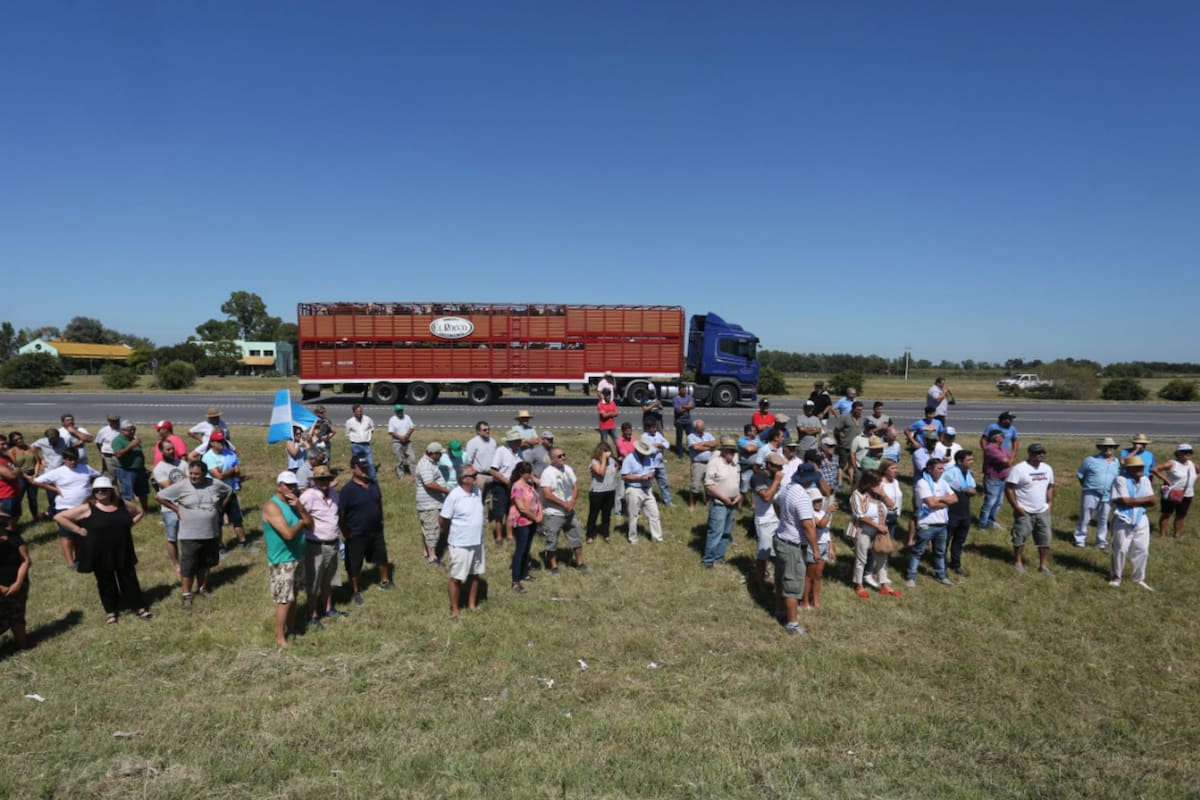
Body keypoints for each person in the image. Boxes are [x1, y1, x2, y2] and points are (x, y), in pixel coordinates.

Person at [55, 476, 153, 624]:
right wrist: (78, 529)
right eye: (97, 490)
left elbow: (140, 512)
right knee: (105, 582)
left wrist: (128, 525)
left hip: (122, 549)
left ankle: (138, 607)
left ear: (111, 491)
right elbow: (60, 517)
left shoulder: (121, 504)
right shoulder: (87, 508)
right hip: (100, 553)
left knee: (129, 579)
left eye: (104, 490)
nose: (101, 492)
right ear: (93, 492)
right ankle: (111, 611)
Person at [156, 460, 232, 608]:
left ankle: (202, 588)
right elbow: (160, 497)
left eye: (196, 474)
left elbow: (229, 491)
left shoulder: (215, 484)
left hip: (211, 533)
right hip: (190, 534)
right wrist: (176, 509)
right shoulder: (182, 485)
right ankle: (186, 595)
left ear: (204, 473)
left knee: (206, 563)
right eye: (191, 473)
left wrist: (219, 509)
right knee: (188, 566)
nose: (193, 476)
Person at [260, 472, 313, 647]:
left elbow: (311, 525)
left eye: (293, 485)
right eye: (288, 485)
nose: (292, 488)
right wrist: (302, 521)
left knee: (293, 596)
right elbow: (288, 534)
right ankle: (280, 636)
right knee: (283, 599)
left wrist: (302, 510)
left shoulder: (294, 504)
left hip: (297, 556)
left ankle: (292, 627)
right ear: (278, 486)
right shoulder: (271, 506)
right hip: (281, 560)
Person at [339, 455, 393, 606]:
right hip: (356, 534)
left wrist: (381, 520)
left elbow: (379, 502)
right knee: (354, 565)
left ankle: (385, 581)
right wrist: (346, 533)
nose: (364, 471)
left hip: (375, 531)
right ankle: (355, 591)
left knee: (382, 557)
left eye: (366, 468)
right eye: (361, 468)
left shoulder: (373, 484)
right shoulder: (347, 490)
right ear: (353, 469)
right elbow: (341, 514)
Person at [773, 465, 821, 636]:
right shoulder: (802, 497)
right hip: (792, 545)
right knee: (792, 585)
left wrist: (783, 521)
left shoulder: (787, 488)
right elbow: (808, 526)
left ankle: (780, 611)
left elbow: (775, 501)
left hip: (780, 539)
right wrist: (815, 550)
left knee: (780, 580)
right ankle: (792, 624)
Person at [33, 448, 100, 568]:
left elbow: (98, 476)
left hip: (84, 507)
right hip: (65, 508)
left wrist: (93, 492)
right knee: (67, 535)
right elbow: (36, 481)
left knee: (83, 534)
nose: (72, 462)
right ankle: (70, 562)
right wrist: (54, 489)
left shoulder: (86, 468)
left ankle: (81, 557)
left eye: (74, 459)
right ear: (64, 460)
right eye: (69, 460)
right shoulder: (58, 472)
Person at [300, 464, 345, 628]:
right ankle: (312, 614)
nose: (324, 482)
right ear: (315, 481)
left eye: (326, 478)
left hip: (333, 543)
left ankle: (328, 608)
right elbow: (300, 515)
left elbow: (338, 515)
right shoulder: (308, 496)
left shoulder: (334, 494)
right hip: (315, 545)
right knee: (313, 582)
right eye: (320, 479)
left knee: (329, 580)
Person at [439, 466, 485, 619]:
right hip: (460, 543)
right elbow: (443, 519)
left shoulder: (477, 492)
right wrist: (449, 533)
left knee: (474, 575)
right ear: (464, 478)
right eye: (474, 475)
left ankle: (472, 605)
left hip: (477, 542)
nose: (477, 477)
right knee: (457, 577)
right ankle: (454, 610)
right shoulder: (454, 496)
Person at [907, 457, 957, 588]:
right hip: (927, 524)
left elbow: (955, 498)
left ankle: (941, 575)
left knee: (940, 552)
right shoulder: (922, 483)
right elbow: (930, 503)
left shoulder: (943, 482)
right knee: (918, 551)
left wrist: (939, 498)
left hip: (942, 524)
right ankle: (911, 576)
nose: (942, 470)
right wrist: (944, 501)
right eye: (939, 468)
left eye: (943, 468)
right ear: (929, 469)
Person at [1006, 444, 1056, 576]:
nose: (1041, 455)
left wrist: (1050, 503)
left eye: (1043, 452)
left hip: (1042, 510)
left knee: (1045, 538)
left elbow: (1050, 486)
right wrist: (1016, 506)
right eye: (1037, 453)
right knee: (1020, 536)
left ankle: (1043, 566)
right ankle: (1018, 562)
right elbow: (1009, 488)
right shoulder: (1019, 469)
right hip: (1025, 509)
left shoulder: (1047, 469)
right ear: (1030, 454)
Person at [1108, 456, 1156, 591]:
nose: (1141, 470)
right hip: (1123, 518)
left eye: (1142, 467)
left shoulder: (1145, 480)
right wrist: (1143, 500)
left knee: (1142, 549)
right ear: (1129, 469)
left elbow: (1153, 501)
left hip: (1141, 517)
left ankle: (1138, 578)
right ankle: (1116, 576)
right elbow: (1124, 501)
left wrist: (1134, 500)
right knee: (1120, 549)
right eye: (1138, 467)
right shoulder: (1120, 480)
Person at [850, 469, 900, 598]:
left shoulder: (879, 495)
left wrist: (883, 495)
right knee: (862, 558)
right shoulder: (857, 495)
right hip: (863, 531)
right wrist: (877, 525)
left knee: (882, 558)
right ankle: (859, 584)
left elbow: (893, 507)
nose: (880, 486)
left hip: (879, 532)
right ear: (869, 483)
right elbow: (860, 515)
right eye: (877, 483)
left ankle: (884, 584)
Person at [540, 446, 588, 574]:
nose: (563, 458)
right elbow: (547, 494)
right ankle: (554, 566)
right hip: (554, 513)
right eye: (559, 456)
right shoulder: (547, 473)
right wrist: (563, 504)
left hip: (569, 512)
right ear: (552, 459)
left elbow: (575, 486)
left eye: (564, 455)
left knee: (576, 537)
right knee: (552, 540)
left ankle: (580, 563)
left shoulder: (568, 469)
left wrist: (572, 501)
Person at [202, 433, 249, 550]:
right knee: (217, 522)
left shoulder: (229, 454)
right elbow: (218, 476)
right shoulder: (207, 457)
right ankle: (220, 547)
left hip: (229, 491)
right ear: (212, 442)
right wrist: (232, 470)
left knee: (237, 519)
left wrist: (229, 472)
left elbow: (238, 472)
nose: (222, 443)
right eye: (218, 441)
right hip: (215, 493)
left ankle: (243, 543)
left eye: (223, 441)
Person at [701, 436, 742, 568]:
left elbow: (736, 482)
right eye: (729, 450)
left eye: (734, 451)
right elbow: (709, 485)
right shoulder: (715, 463)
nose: (732, 453)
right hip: (720, 502)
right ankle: (708, 560)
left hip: (733, 502)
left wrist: (738, 495)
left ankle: (719, 556)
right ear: (723, 450)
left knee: (726, 532)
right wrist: (724, 497)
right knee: (715, 531)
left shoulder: (735, 464)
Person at [1074, 437, 1120, 550]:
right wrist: (1088, 487)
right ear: (1100, 447)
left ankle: (1101, 542)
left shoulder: (1116, 462)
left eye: (1110, 447)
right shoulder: (1090, 460)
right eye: (1105, 446)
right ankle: (1079, 540)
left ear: (1114, 448)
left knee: (1103, 519)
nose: (1108, 448)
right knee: (1085, 516)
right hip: (1091, 492)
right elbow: (1080, 475)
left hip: (1108, 494)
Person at [150, 440, 186, 576]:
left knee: (187, 537)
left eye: (172, 449)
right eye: (168, 449)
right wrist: (184, 483)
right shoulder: (159, 468)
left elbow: (192, 481)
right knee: (172, 538)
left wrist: (181, 483)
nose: (171, 452)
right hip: (170, 508)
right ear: (162, 451)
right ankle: (177, 564)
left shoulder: (183, 464)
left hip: (186, 506)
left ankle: (187, 561)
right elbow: (169, 487)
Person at [751, 452, 785, 589]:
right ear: (769, 465)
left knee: (778, 554)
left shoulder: (775, 476)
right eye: (777, 467)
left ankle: (778, 580)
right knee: (763, 554)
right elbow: (766, 497)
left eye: (781, 467)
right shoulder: (758, 478)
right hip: (764, 521)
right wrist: (776, 481)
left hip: (777, 519)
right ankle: (760, 582)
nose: (780, 470)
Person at [507, 461, 541, 592]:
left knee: (527, 549)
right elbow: (522, 508)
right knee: (520, 551)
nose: (530, 474)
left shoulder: (528, 485)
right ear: (522, 473)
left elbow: (537, 499)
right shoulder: (517, 487)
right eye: (528, 472)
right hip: (522, 523)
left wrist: (539, 515)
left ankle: (525, 574)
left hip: (531, 522)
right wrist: (536, 518)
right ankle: (515, 581)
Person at [415, 442, 451, 564]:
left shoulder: (431, 463)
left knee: (429, 528)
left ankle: (426, 552)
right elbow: (429, 483)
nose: (441, 455)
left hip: (433, 502)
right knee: (432, 529)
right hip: (429, 504)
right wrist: (446, 490)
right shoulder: (425, 465)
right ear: (432, 454)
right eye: (439, 453)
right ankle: (432, 557)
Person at [621, 440, 663, 543]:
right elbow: (624, 476)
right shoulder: (629, 459)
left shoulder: (649, 458)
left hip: (647, 489)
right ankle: (633, 538)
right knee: (633, 515)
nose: (645, 455)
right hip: (634, 490)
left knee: (655, 514)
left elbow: (653, 470)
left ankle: (657, 538)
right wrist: (639, 478)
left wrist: (650, 475)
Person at [1152, 444, 1197, 539]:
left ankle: (1177, 535)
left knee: (1181, 515)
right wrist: (1167, 481)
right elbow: (1155, 469)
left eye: (1190, 452)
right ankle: (1163, 535)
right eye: (1185, 452)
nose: (1188, 454)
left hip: (1187, 494)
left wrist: (1195, 479)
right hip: (1172, 493)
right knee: (1167, 513)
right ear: (1178, 453)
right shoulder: (1172, 464)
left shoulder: (1192, 464)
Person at [944, 450, 977, 577]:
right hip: (951, 513)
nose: (972, 462)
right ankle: (941, 565)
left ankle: (956, 565)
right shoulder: (949, 474)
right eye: (969, 460)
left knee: (959, 541)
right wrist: (967, 490)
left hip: (964, 513)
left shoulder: (968, 474)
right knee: (945, 541)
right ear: (959, 461)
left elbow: (972, 490)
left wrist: (969, 490)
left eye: (972, 459)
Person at [488, 429, 524, 546]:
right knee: (499, 513)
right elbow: (493, 470)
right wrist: (507, 482)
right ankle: (498, 536)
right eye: (517, 440)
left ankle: (509, 534)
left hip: (514, 486)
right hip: (501, 486)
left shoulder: (519, 452)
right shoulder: (501, 451)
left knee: (511, 511)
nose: (520, 442)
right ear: (511, 441)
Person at [802, 487, 836, 609]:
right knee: (809, 576)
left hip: (824, 546)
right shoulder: (810, 514)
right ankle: (805, 601)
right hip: (813, 546)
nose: (819, 503)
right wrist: (828, 512)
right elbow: (820, 525)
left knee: (818, 576)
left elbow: (827, 532)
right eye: (816, 501)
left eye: (820, 501)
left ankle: (815, 600)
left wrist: (830, 547)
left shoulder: (822, 513)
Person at [0, 515, 30, 648]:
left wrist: (18, 583)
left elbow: (25, 560)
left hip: (18, 584)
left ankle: (23, 647)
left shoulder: (14, 536)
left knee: (18, 615)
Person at [111, 420, 150, 515]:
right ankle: (126, 512)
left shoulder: (133, 439)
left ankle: (145, 511)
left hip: (139, 470)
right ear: (123, 430)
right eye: (129, 430)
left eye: (133, 429)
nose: (132, 432)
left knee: (143, 492)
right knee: (127, 493)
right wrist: (131, 445)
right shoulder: (118, 440)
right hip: (126, 470)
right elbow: (119, 454)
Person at [979, 429, 1014, 530]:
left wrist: (1008, 461)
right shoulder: (990, 449)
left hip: (1002, 479)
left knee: (998, 502)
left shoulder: (1001, 448)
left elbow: (1010, 458)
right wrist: (1008, 461)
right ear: (996, 438)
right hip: (993, 480)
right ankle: (983, 525)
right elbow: (1006, 462)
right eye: (1002, 435)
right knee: (990, 502)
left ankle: (991, 521)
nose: (1004, 437)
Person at [587, 442, 617, 544]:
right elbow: (601, 473)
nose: (607, 453)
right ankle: (590, 534)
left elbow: (615, 469)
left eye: (608, 450)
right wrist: (603, 459)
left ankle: (606, 533)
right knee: (593, 514)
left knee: (606, 514)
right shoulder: (594, 462)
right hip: (597, 492)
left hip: (610, 491)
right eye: (605, 451)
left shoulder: (612, 461)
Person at [464, 421, 497, 509]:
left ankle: (485, 519)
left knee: (488, 499)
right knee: (478, 498)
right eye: (484, 430)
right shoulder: (473, 443)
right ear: (478, 431)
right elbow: (468, 461)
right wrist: (473, 475)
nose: (487, 431)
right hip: (479, 476)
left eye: (488, 429)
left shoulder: (493, 442)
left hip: (491, 475)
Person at [7, 432, 39, 521]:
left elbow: (37, 462)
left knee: (33, 498)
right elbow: (15, 466)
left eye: (20, 438)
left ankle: (35, 517)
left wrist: (35, 474)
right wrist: (26, 476)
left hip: (33, 474)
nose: (19, 440)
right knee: (18, 497)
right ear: (13, 441)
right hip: (20, 476)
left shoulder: (31, 448)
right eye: (16, 440)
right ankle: (13, 518)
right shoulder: (12, 451)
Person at [686, 420, 718, 511]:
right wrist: (709, 447)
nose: (703, 428)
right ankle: (692, 504)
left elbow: (715, 443)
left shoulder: (708, 435)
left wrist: (703, 443)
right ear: (695, 428)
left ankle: (707, 503)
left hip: (709, 463)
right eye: (700, 427)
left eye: (703, 426)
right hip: (698, 464)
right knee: (695, 485)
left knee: (708, 484)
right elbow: (696, 448)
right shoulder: (691, 437)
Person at [641, 420, 673, 507]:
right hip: (649, 464)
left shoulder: (658, 434)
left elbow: (667, 444)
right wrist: (656, 448)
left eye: (655, 427)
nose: (655, 429)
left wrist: (659, 445)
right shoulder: (644, 436)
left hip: (660, 463)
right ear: (648, 428)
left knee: (664, 483)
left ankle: (668, 501)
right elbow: (647, 450)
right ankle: (646, 502)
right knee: (648, 484)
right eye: (653, 427)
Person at [345, 404, 377, 481]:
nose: (359, 413)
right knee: (356, 463)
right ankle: (357, 478)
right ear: (354, 412)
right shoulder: (350, 422)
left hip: (366, 445)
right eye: (357, 412)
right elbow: (347, 433)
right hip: (355, 445)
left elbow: (372, 428)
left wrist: (367, 437)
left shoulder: (368, 419)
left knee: (370, 462)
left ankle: (373, 479)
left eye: (360, 411)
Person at [387, 404, 416, 478]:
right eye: (398, 411)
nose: (400, 412)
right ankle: (401, 476)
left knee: (412, 458)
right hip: (397, 442)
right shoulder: (392, 419)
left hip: (407, 441)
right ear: (395, 411)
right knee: (399, 460)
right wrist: (400, 438)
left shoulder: (407, 417)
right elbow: (391, 432)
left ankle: (414, 474)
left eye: (401, 410)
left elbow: (412, 427)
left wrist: (406, 435)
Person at [737, 424, 761, 497]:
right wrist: (757, 447)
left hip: (756, 466)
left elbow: (763, 447)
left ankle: (753, 505)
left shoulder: (757, 440)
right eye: (754, 431)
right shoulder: (741, 440)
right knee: (744, 484)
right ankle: (739, 504)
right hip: (746, 466)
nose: (756, 432)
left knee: (754, 486)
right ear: (748, 432)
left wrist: (755, 447)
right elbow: (749, 449)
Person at [672, 383, 695, 459]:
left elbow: (692, 406)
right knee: (679, 438)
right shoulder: (675, 399)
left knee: (691, 437)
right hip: (679, 421)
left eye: (685, 390)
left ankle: (692, 452)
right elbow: (678, 410)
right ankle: (680, 453)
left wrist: (684, 406)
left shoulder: (689, 397)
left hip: (688, 421)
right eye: (683, 390)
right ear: (679, 390)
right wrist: (688, 407)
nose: (684, 391)